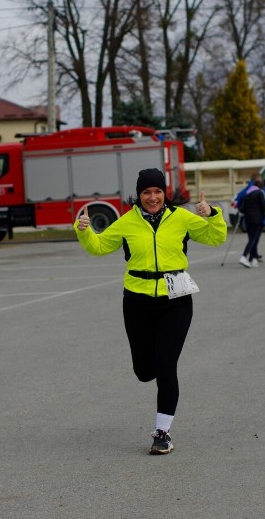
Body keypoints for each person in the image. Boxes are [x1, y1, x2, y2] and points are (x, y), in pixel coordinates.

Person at [73, 168, 227, 455]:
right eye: (146, 192)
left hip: (176, 299)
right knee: (145, 371)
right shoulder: (127, 221)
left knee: (167, 366)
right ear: (139, 195)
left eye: (157, 191)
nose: (152, 197)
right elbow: (99, 246)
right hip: (137, 301)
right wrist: (83, 231)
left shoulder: (181, 217)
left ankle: (162, 432)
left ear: (164, 193)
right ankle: (157, 373)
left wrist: (213, 214)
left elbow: (215, 238)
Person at [232, 173, 265, 261]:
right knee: (255, 238)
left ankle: (254, 255)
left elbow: (238, 199)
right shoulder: (261, 189)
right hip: (258, 217)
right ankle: (250, 256)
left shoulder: (247, 189)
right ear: (258, 179)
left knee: (251, 237)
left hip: (247, 216)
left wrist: (241, 210)